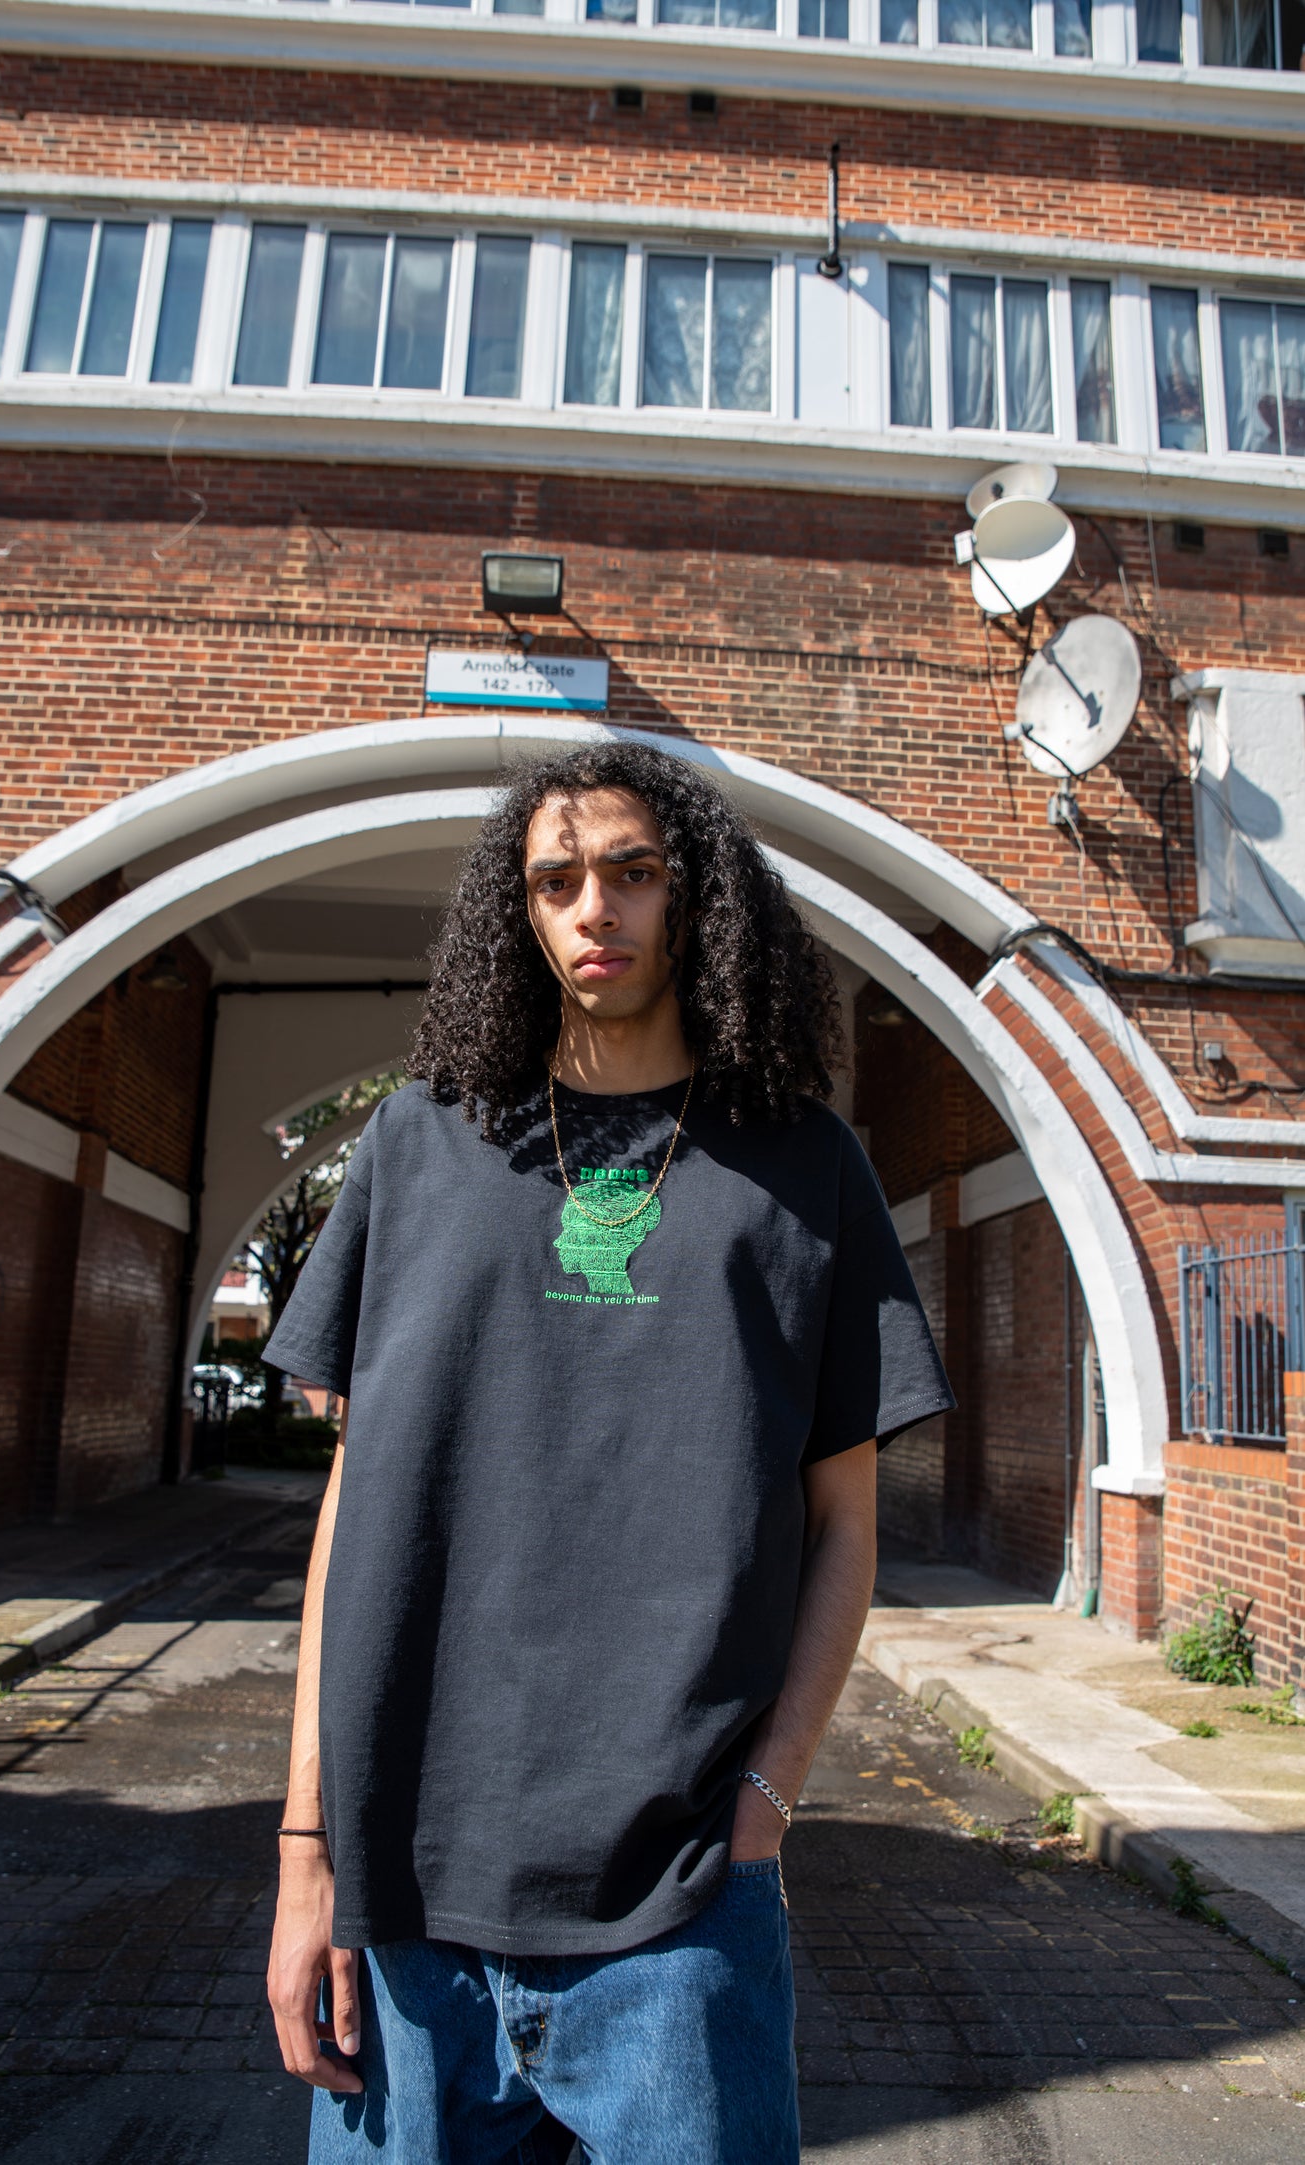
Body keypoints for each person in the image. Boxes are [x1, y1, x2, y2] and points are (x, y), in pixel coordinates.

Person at [263, 739, 953, 2165]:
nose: (596, 910)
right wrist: (302, 1854)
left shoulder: (804, 1169)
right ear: (515, 914)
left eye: (633, 873)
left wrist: (762, 1807)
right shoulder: (414, 1146)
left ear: (696, 898)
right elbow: (354, 1511)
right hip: (405, 1898)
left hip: (678, 1904)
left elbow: (843, 1527)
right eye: (558, 879)